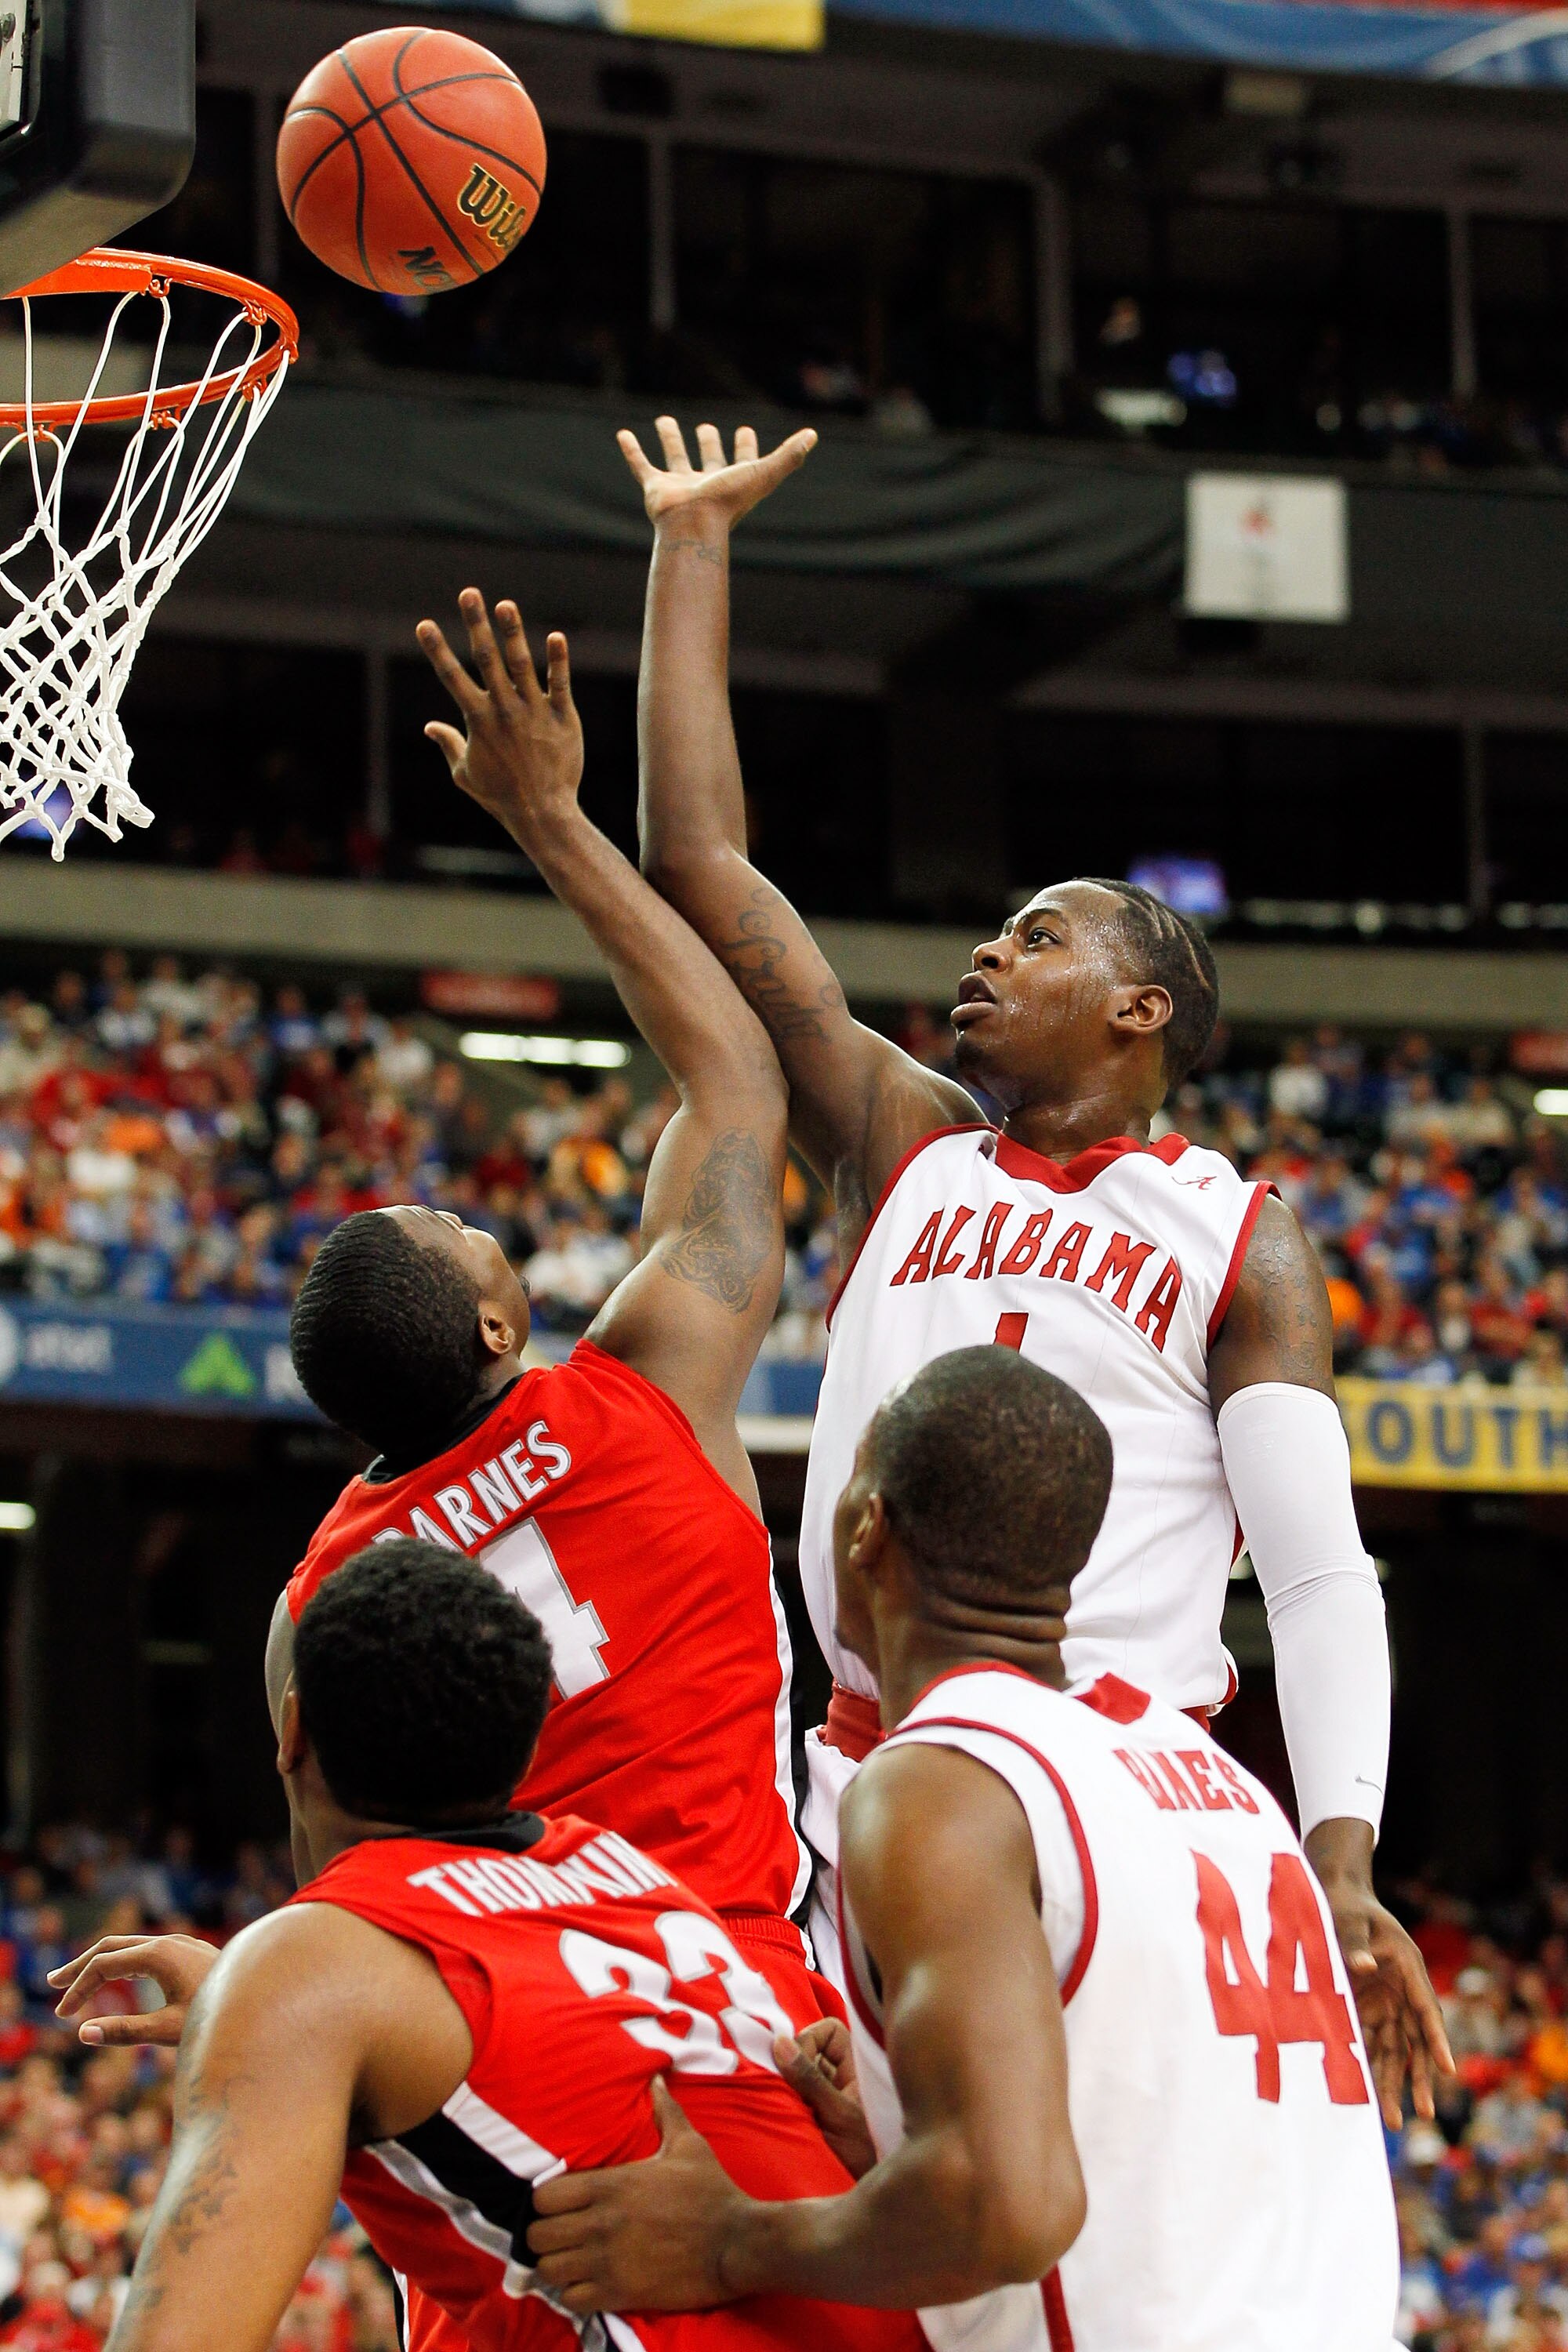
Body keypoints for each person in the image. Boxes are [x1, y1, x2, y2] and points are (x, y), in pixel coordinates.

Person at [615, 413, 1447, 2107]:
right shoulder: (906, 1134)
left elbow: (1313, 1576)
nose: (991, 951)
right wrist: (690, 547)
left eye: (1041, 937)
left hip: (1113, 1793)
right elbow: (701, 870)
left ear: (1143, 1010)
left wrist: (1343, 1854)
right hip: (860, 1769)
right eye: (998, 930)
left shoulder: (1237, 1233)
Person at [521, 1350, 1401, 2352]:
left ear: (864, 1527)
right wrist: (902, 2134)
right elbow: (1155, 2132)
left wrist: (731, 2241)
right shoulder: (1214, 1783)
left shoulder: (940, 1781)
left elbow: (1006, 2208)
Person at [275, 595, 817, 2024]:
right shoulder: (648, 1386)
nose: (468, 1214)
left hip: (515, 2020)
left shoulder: (317, 1600)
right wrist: (547, 820)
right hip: (743, 1983)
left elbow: (338, 1880)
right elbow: (740, 1085)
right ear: (500, 1330)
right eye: (460, 1234)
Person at [52, 1541, 926, 2352]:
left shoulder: (306, 1974)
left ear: (291, 1729)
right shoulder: (623, 1879)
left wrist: (259, 1999)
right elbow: (509, 2028)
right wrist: (249, 1996)